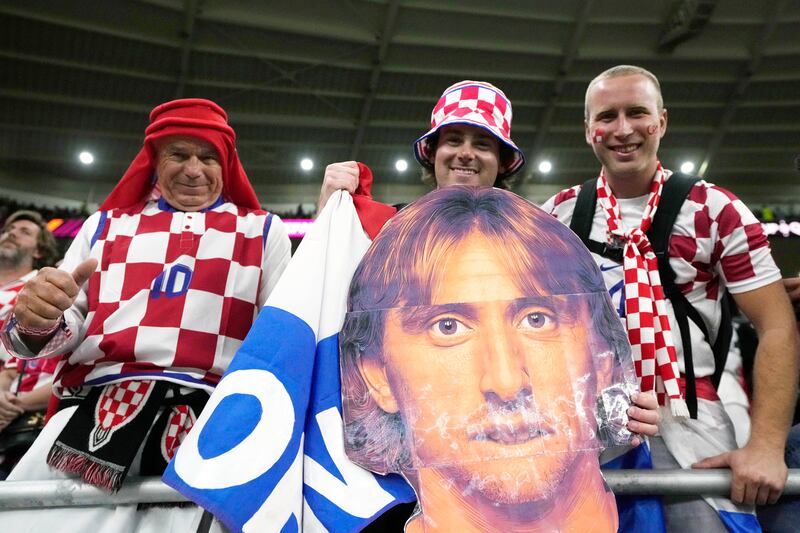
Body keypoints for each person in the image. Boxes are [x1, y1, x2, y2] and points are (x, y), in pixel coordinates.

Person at [319, 80, 661, 530]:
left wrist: (620, 403)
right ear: (431, 153)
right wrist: (330, 215)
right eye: (453, 140)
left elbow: (585, 363)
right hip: (398, 491)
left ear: (502, 161)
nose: (466, 153)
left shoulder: (541, 242)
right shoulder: (381, 232)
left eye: (483, 144)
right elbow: (321, 316)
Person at [0, 99, 291, 531]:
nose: (194, 169)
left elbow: (280, 340)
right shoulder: (105, 224)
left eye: (208, 156)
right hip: (89, 415)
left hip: (210, 430)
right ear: (154, 161)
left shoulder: (263, 231)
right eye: (179, 154)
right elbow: (64, 325)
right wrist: (38, 319)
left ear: (226, 165)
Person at [542, 65, 799, 531]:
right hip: (584, 438)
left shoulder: (716, 210)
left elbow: (777, 325)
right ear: (588, 131)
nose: (623, 130)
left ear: (661, 121)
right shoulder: (556, 218)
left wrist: (766, 445)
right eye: (607, 116)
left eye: (637, 113)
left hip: (693, 430)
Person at [341, 185, 640, 532]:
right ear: (378, 375)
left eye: (537, 319)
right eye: (448, 327)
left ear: (601, 355)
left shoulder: (655, 519)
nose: (507, 382)